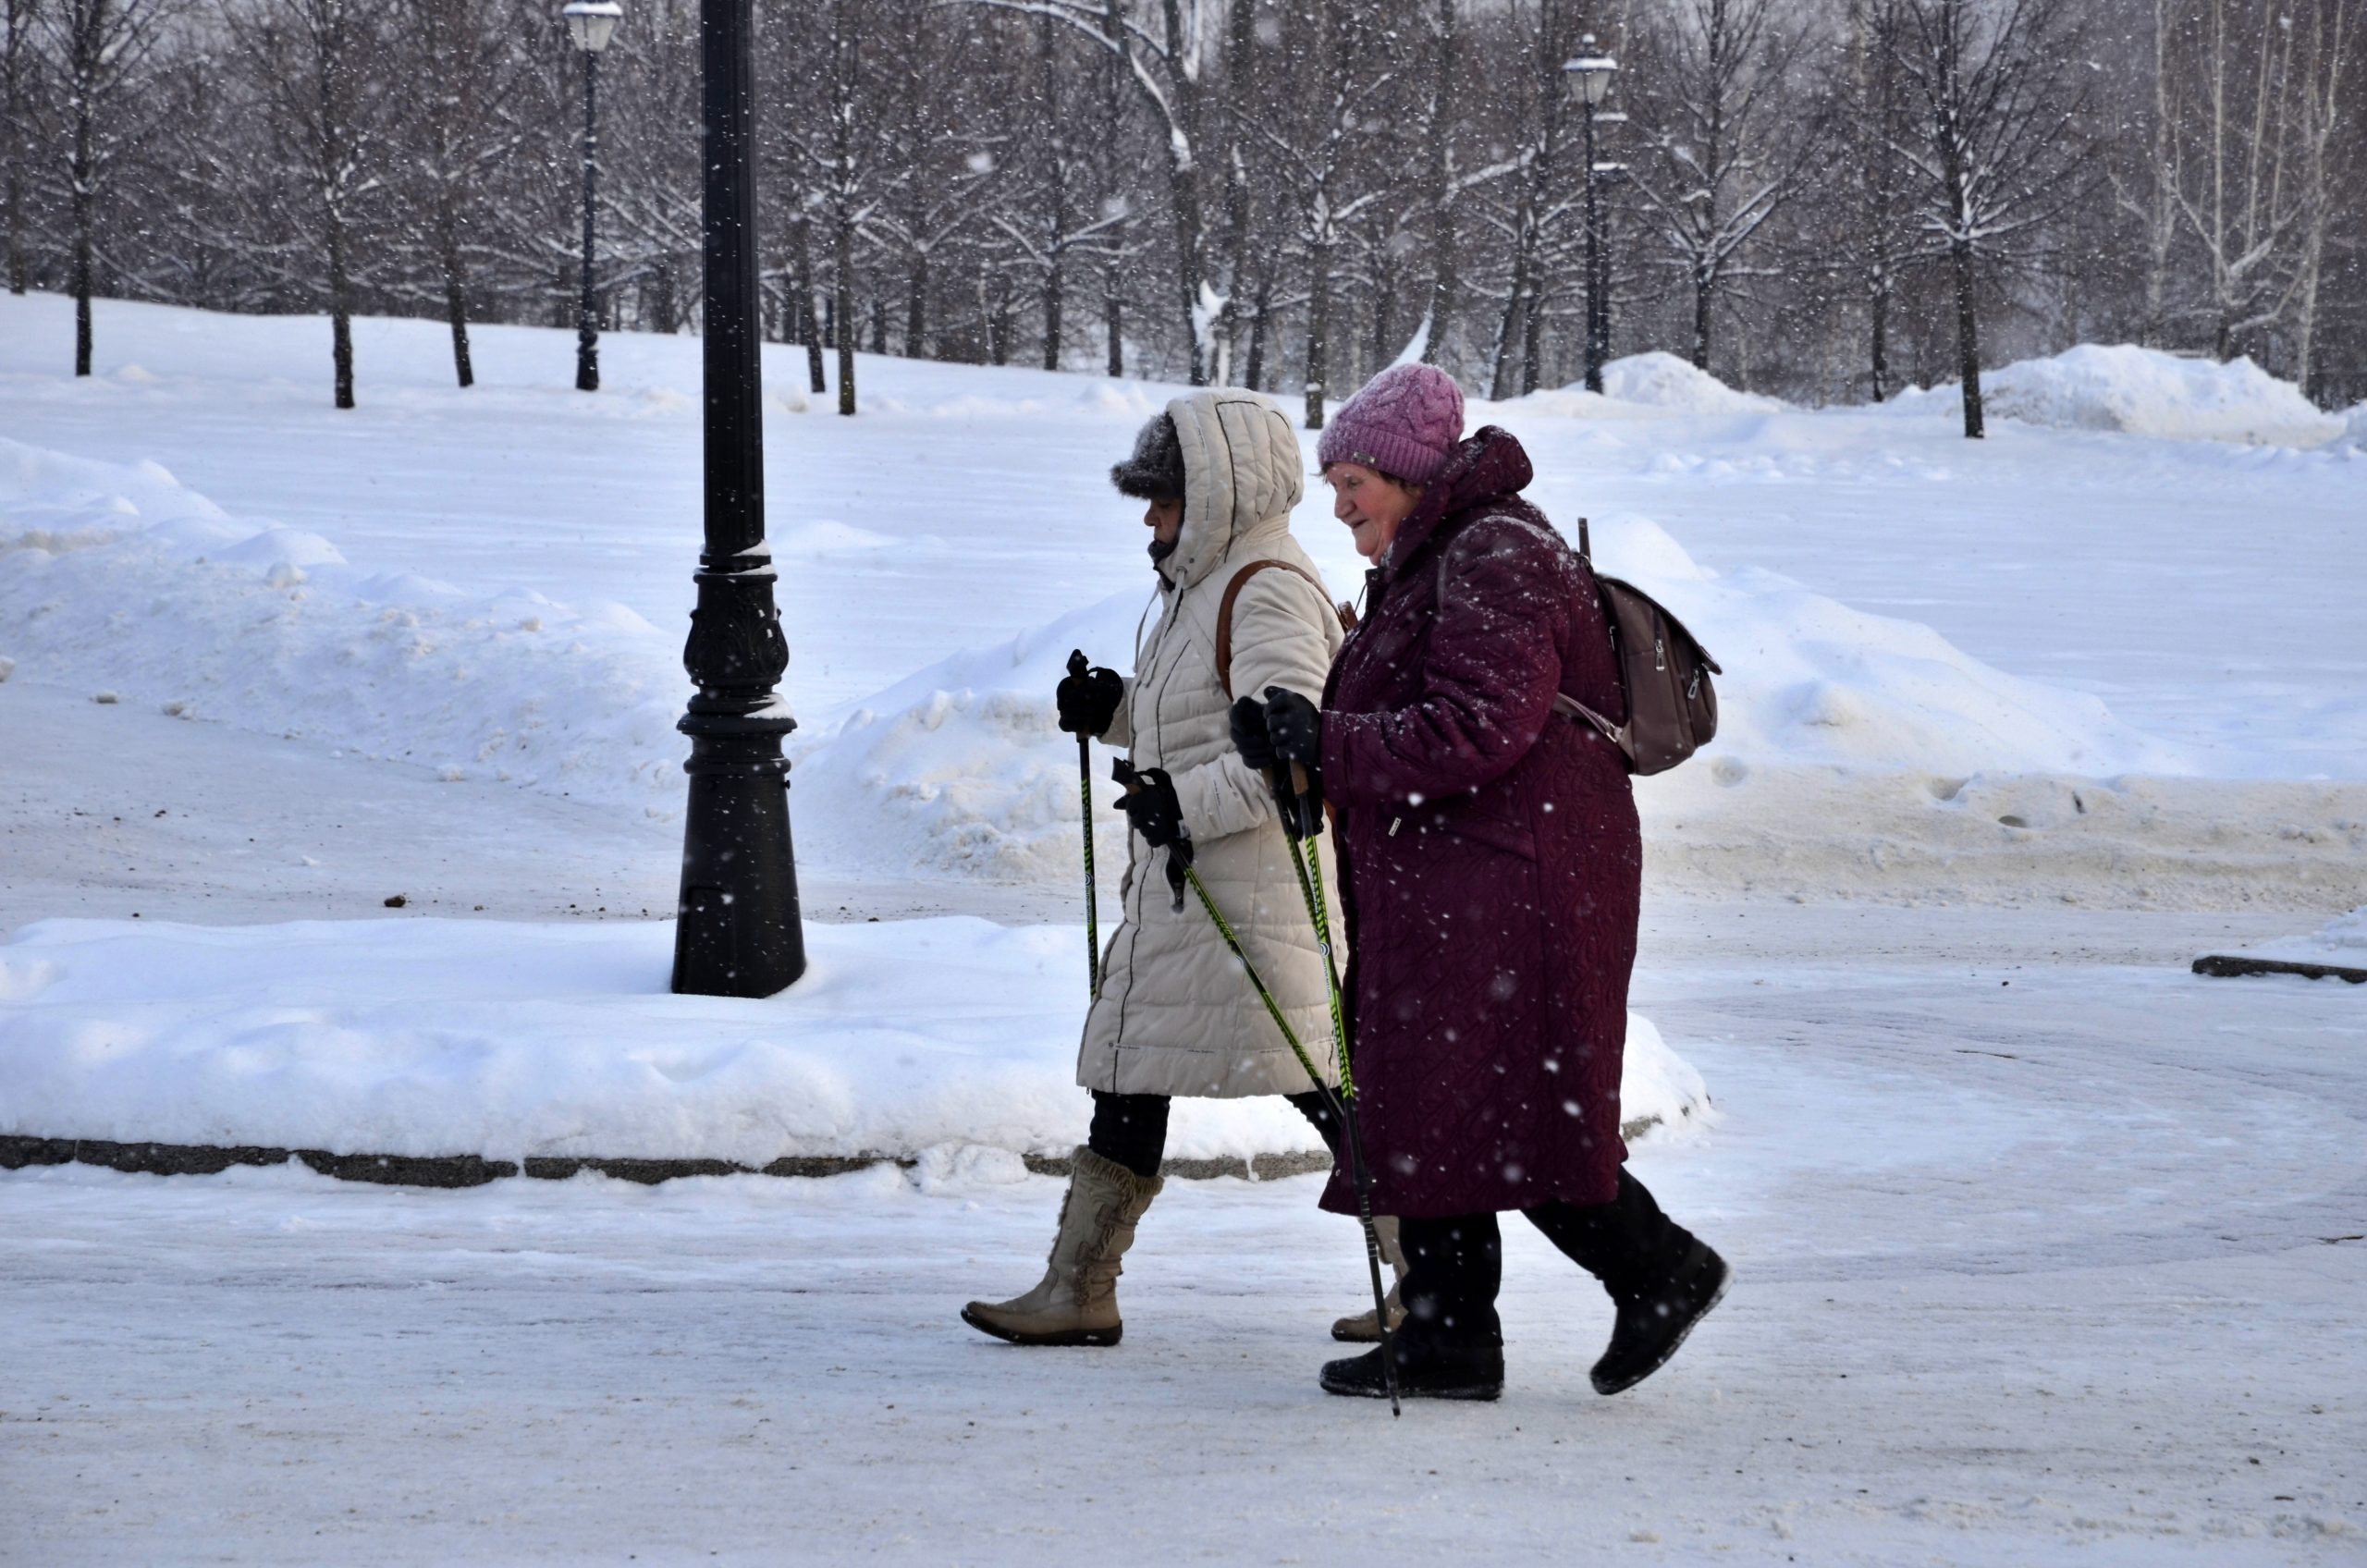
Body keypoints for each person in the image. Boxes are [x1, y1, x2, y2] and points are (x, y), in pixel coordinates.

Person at [1230, 362, 1729, 1402]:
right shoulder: (1439, 556)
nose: (1338, 503)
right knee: (1436, 1105)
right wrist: (1297, 740)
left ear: (1411, 473)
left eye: (1353, 478)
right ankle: (1450, 1337)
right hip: (1465, 882)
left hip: (1515, 886)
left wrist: (1327, 739)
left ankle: (1657, 1269)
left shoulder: (1496, 554)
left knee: (1500, 1109)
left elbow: (1476, 726)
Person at [962, 389, 1364, 1348]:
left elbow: (1288, 754)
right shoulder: (1202, 581)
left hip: (1246, 894)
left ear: (1217, 494)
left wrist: (1180, 803)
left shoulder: (1263, 586)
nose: (1149, 517)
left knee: (1324, 1083)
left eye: (1162, 498)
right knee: (1134, 1076)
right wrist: (1113, 708)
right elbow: (1204, 720)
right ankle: (1078, 1287)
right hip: (1193, 891)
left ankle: (1432, 1280)